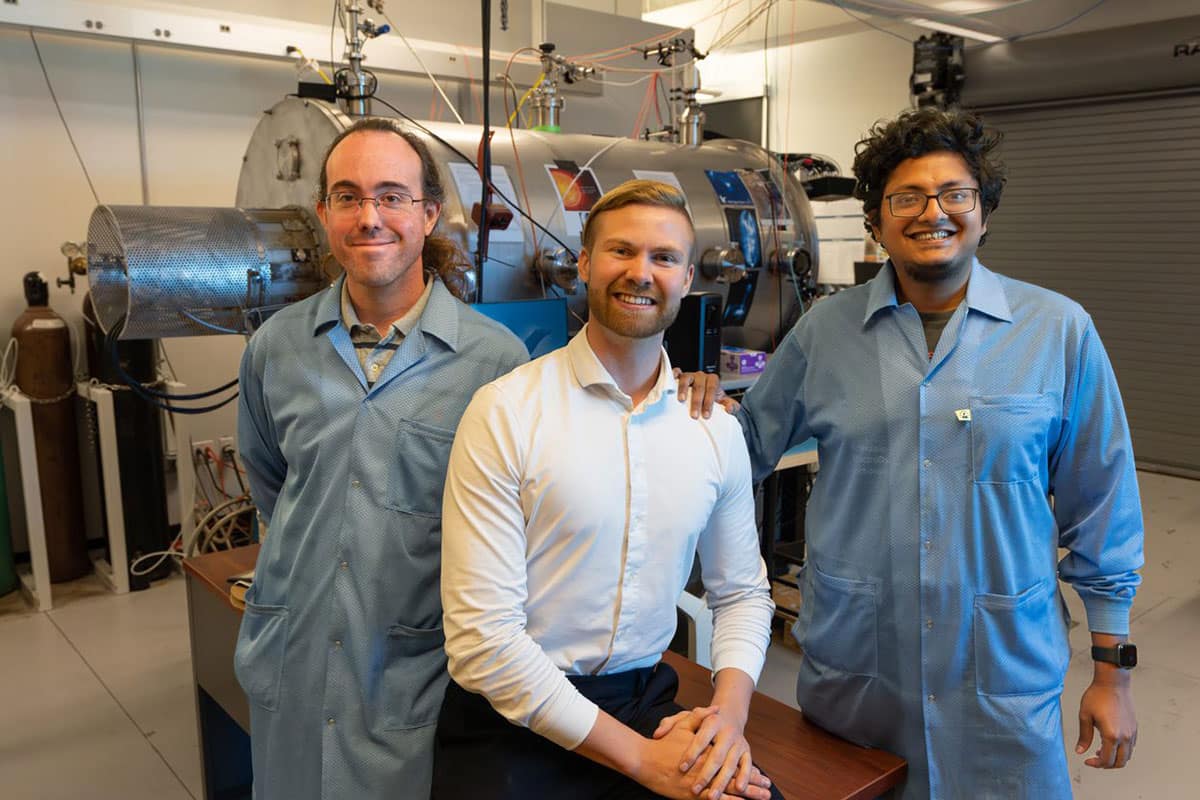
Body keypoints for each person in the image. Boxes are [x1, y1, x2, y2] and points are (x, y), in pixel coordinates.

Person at [679, 108, 1144, 798]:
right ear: (876, 222)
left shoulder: (1058, 331)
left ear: (984, 214)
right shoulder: (824, 332)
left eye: (956, 194)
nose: (934, 213)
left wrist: (1113, 675)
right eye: (907, 198)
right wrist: (690, 407)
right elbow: (741, 450)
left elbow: (1102, 506)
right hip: (857, 673)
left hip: (1001, 673)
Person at [434, 180, 780, 800]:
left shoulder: (712, 429)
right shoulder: (507, 412)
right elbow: (483, 641)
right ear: (586, 264)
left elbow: (743, 595)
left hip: (644, 698)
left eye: (664, 257)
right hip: (514, 712)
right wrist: (644, 764)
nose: (641, 273)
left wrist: (727, 720)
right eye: (621, 251)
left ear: (685, 278)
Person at [234, 117, 528, 800]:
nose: (370, 218)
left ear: (429, 214)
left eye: (392, 196)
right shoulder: (275, 349)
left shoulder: (495, 364)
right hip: (295, 657)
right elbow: (274, 486)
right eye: (348, 196)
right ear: (323, 214)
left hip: (412, 670)